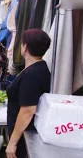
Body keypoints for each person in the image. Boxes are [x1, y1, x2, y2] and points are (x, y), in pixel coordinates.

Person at [5, 29, 51, 158]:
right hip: (24, 133)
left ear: (25, 47)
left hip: (24, 137)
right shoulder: (38, 68)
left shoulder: (32, 74)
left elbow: (27, 111)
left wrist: (12, 142)